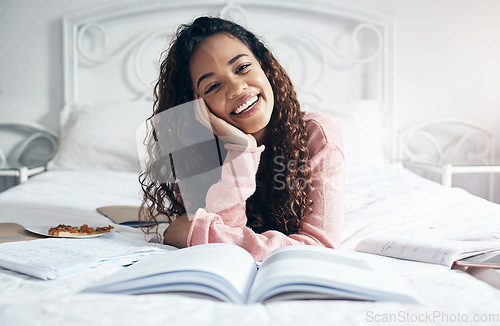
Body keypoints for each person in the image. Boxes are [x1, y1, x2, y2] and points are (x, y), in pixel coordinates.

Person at [139, 16, 345, 261]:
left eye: (242, 68)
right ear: (196, 106)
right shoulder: (195, 154)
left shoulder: (317, 134)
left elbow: (318, 248)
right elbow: (224, 249)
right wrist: (241, 150)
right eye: (213, 86)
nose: (237, 88)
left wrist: (197, 234)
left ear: (264, 66)